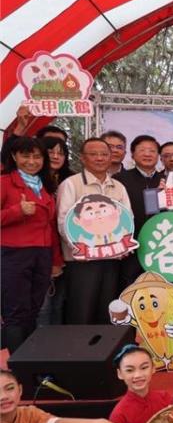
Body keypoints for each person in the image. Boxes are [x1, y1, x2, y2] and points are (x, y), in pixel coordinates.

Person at [56, 138, 132, 325]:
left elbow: (128, 220)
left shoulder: (118, 187)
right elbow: (63, 221)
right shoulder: (71, 184)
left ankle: (103, 353)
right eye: (93, 154)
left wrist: (122, 246)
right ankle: (78, 353)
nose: (100, 158)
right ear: (82, 158)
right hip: (82, 262)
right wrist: (84, 249)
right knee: (81, 312)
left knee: (106, 312)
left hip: (110, 260)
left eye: (104, 154)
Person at [1, 137, 61, 349]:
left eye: (37, 157)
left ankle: (29, 367)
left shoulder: (45, 186)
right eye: (26, 156)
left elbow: (51, 226)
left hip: (42, 255)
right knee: (16, 314)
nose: (32, 161)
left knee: (34, 311)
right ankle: (15, 371)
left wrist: (55, 260)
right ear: (14, 157)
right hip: (13, 255)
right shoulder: (5, 182)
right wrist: (17, 212)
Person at [114, 135, 164, 287]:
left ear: (158, 156)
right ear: (132, 154)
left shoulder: (168, 180)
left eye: (152, 151)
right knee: (129, 288)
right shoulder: (120, 180)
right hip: (131, 247)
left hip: (160, 246)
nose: (147, 154)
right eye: (142, 150)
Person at [37, 136, 74, 326]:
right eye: (51, 152)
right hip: (43, 251)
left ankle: (58, 350)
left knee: (61, 303)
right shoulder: (34, 183)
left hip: (70, 251)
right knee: (43, 306)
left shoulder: (71, 180)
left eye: (61, 152)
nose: (56, 156)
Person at [108, 345, 173, 423]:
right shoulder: (119, 414)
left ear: (153, 368)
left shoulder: (165, 398)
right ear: (120, 374)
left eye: (144, 368)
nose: (138, 375)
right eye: (130, 370)